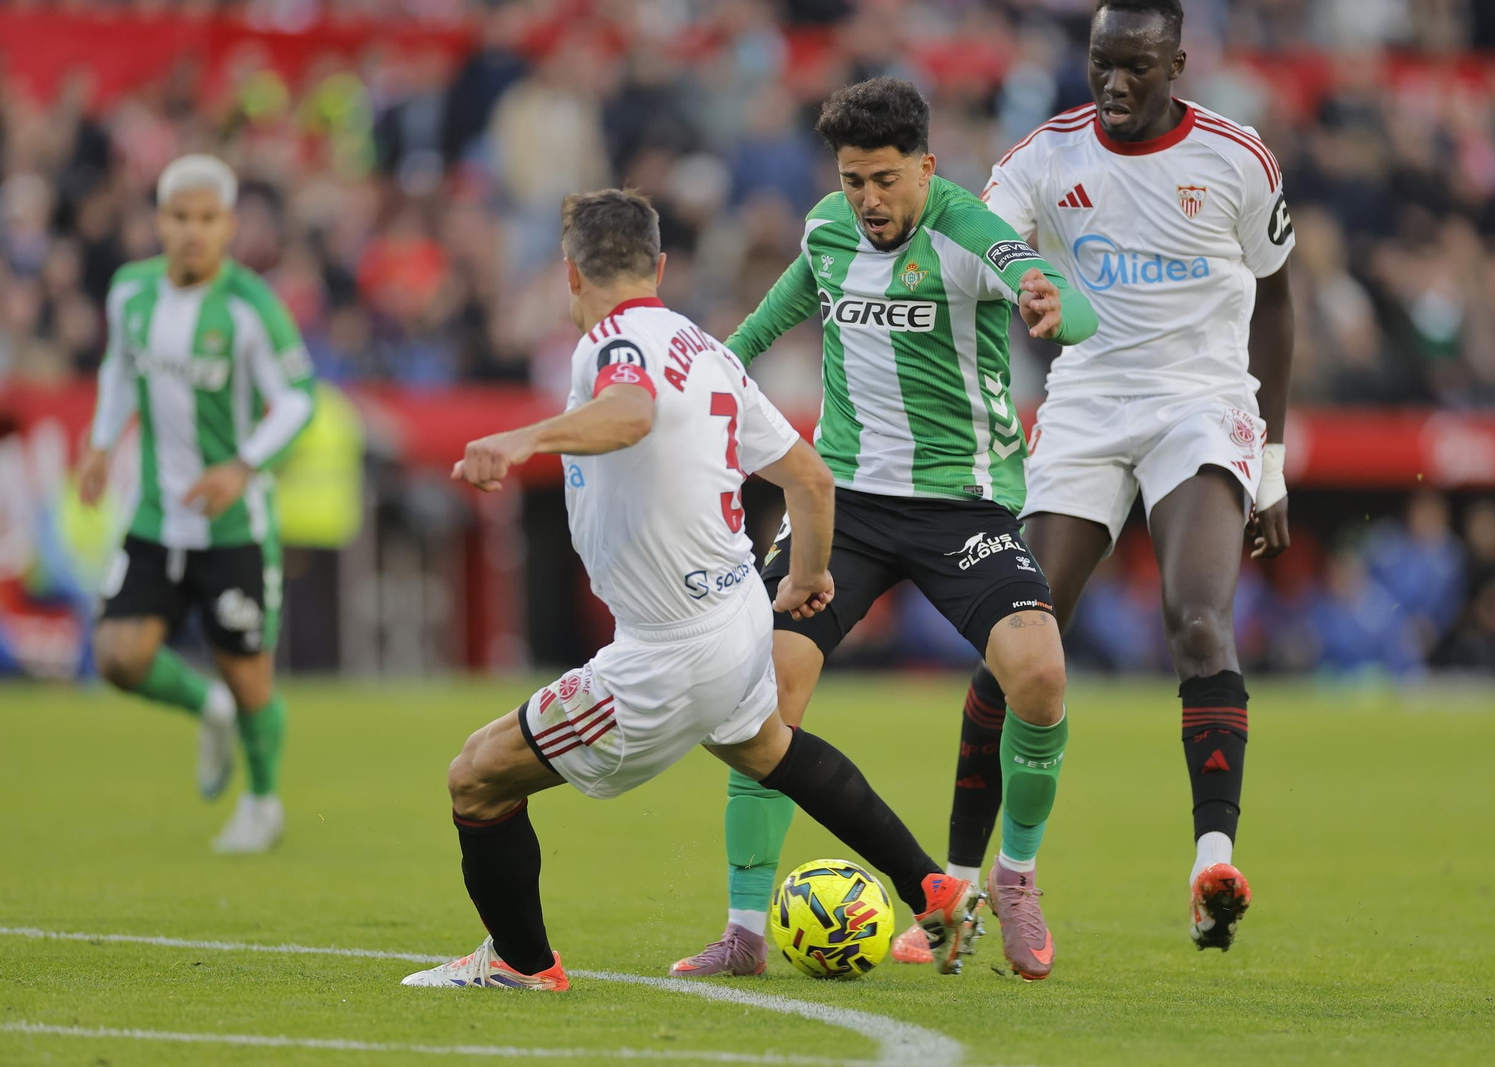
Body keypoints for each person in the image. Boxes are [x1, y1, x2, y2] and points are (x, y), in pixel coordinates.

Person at [401, 190, 983, 990]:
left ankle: (520, 963)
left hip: (667, 649)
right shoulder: (705, 346)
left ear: (569, 273)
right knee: (767, 747)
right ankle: (933, 887)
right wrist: (809, 575)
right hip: (736, 611)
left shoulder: (611, 342)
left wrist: (522, 435)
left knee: (476, 775)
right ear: (661, 266)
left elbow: (630, 412)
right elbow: (810, 478)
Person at [669, 78, 1099, 983]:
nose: (867, 200)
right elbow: (765, 323)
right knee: (763, 699)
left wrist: (1049, 298)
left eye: (885, 180)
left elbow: (1047, 281)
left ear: (928, 168)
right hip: (847, 506)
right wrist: (695, 383)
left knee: (1041, 674)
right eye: (853, 178)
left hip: (963, 508)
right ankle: (746, 931)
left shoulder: (965, 229)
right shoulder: (827, 230)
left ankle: (1014, 879)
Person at [925, 0, 1297, 955]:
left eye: (1136, 65)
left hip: (1199, 401)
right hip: (1086, 402)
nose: (1114, 82)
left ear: (1177, 60)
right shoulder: (1044, 159)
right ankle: (961, 886)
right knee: (1021, 643)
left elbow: (1277, 299)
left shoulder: (1236, 159)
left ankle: (1213, 860)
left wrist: (1271, 461)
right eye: (1101, 62)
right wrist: (1013, 288)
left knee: (1199, 620)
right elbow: (975, 257)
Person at [77, 155, 315, 854]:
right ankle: (204, 706)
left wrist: (243, 466)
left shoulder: (250, 307)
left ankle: (262, 803)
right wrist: (98, 442)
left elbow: (298, 399)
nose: (192, 231)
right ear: (159, 220)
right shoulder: (129, 293)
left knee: (250, 678)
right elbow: (118, 369)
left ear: (229, 225)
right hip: (156, 516)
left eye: (207, 219)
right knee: (118, 656)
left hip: (234, 525)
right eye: (179, 217)